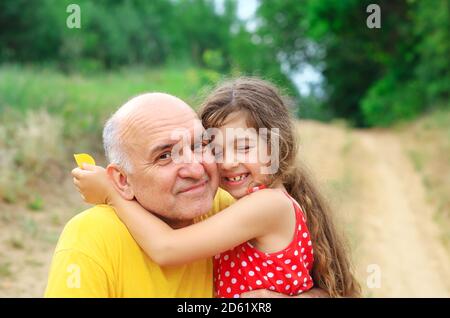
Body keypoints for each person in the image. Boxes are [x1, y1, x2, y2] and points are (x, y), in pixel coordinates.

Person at [73, 78, 360, 298]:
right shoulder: (239, 203)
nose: (229, 162)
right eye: (215, 150)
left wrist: (112, 193)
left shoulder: (266, 206)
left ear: (277, 146)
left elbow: (167, 248)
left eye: (244, 146)